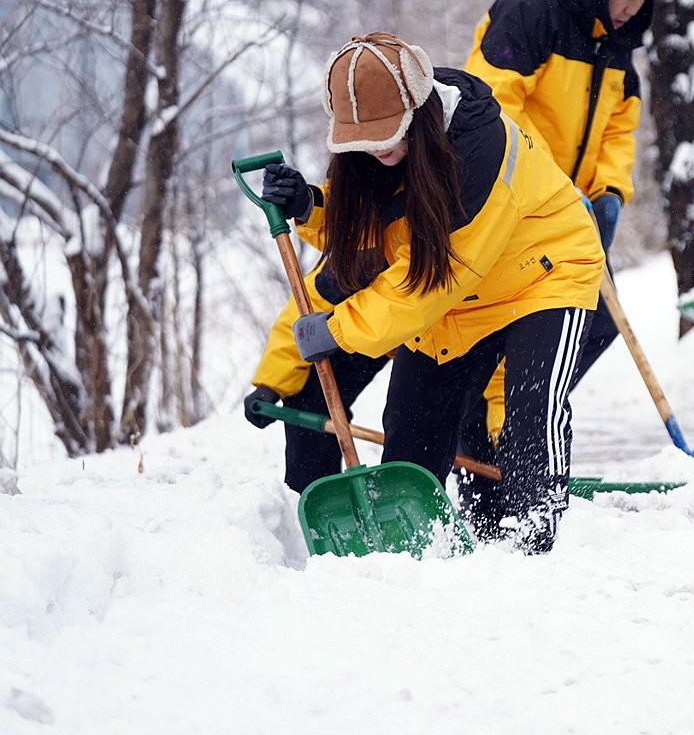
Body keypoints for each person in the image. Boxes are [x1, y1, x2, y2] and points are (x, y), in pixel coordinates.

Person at [242, 32, 605, 553]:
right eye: (365, 141)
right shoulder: (368, 152)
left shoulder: (480, 153)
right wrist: (310, 206)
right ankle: (419, 552)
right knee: (411, 433)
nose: (378, 149)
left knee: (530, 408)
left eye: (388, 135)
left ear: (419, 106)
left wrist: (339, 331)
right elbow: (364, 248)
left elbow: (424, 282)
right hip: (455, 297)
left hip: (542, 275)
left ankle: (534, 540)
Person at [463, 0, 668, 417]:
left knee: (597, 321)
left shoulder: (617, 46)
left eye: (641, 2)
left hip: (568, 213)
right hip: (512, 201)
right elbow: (491, 109)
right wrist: (550, 184)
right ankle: (493, 423)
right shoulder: (529, 14)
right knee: (512, 322)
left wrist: (611, 191)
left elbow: (620, 129)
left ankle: (519, 413)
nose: (630, 10)